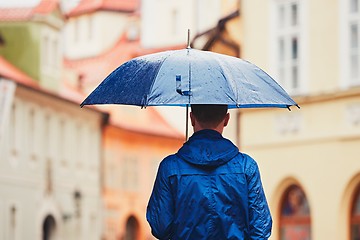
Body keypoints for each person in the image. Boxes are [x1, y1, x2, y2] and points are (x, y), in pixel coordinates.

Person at [146, 104, 272, 240]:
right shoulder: (246, 167)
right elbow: (261, 229)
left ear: (192, 118)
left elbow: (160, 227)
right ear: (227, 119)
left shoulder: (170, 168)